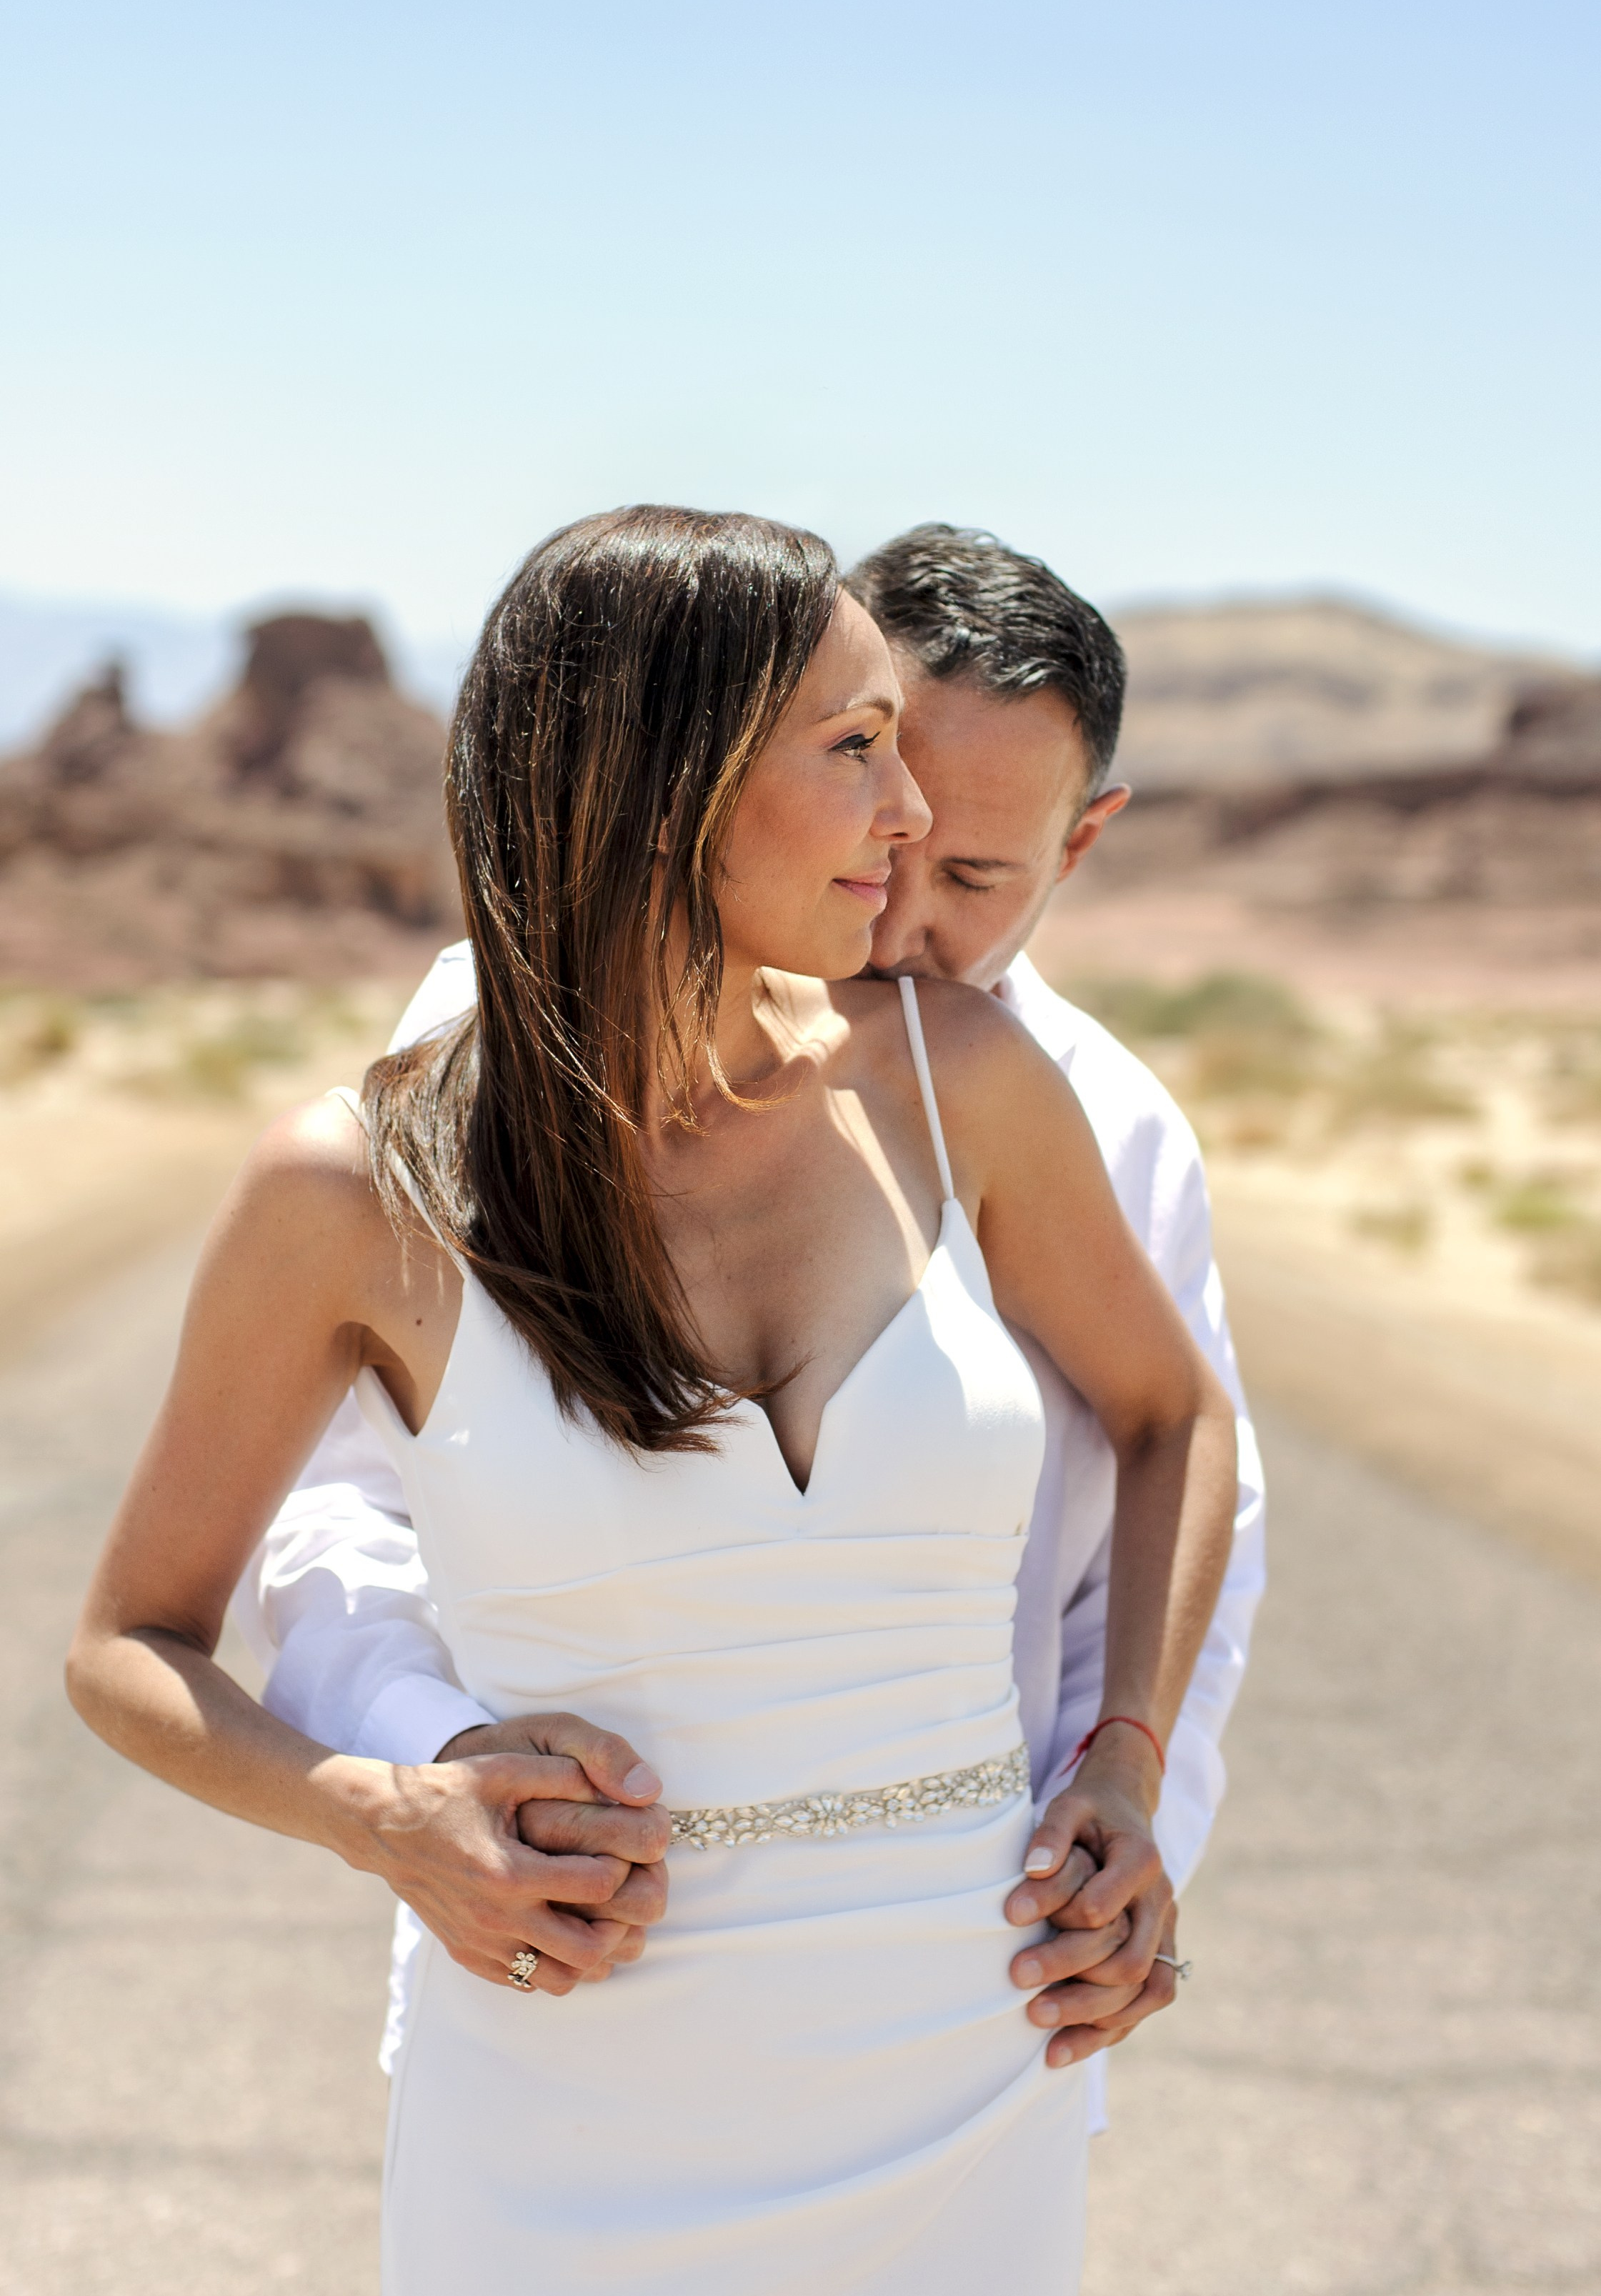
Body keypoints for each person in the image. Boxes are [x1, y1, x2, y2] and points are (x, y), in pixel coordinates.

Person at [70, 506, 1240, 2293]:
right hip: (563, 2078)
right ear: (665, 785)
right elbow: (134, 1644)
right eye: (855, 750)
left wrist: (1131, 1770)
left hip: (965, 2061)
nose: (908, 817)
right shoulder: (357, 1180)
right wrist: (382, 1808)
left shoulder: (977, 1081)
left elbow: (1180, 1416)